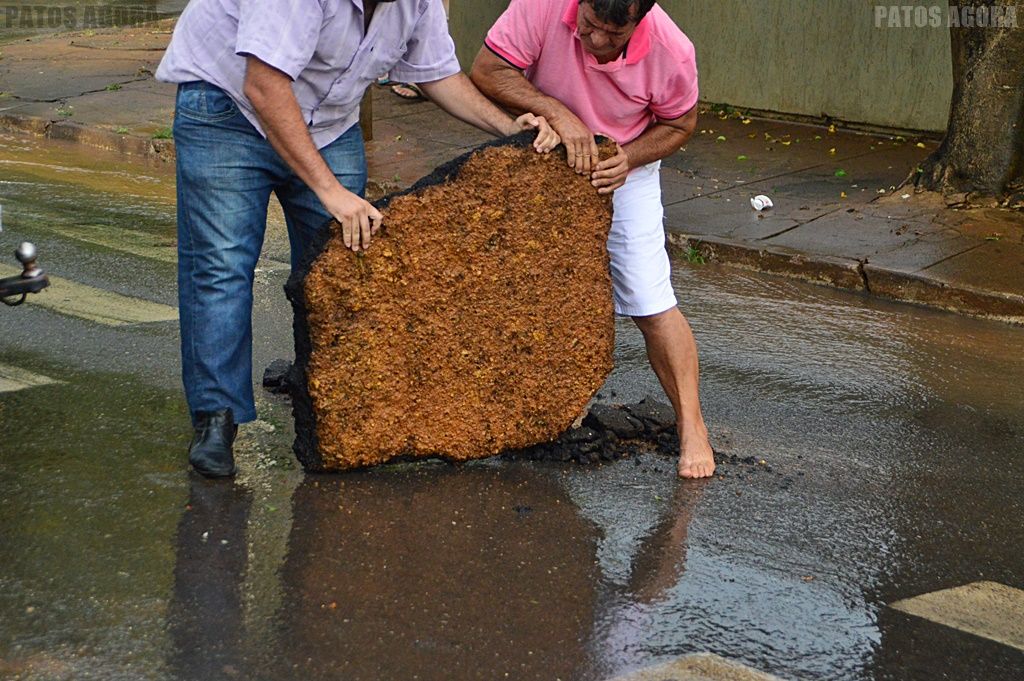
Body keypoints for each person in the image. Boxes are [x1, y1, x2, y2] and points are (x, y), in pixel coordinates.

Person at [156, 0, 558, 478]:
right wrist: (329, 191)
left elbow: (435, 73)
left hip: (327, 121)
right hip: (229, 110)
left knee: (350, 262)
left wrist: (509, 129)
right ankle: (217, 418)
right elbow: (263, 86)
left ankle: (325, 394)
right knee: (221, 267)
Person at [471, 0, 716, 478]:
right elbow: (488, 69)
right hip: (541, 150)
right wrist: (555, 111)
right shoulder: (540, 5)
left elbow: (680, 123)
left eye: (613, 34)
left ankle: (693, 427)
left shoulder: (672, 50)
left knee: (651, 300)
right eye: (588, 25)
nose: (597, 41)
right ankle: (509, 412)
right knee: (511, 289)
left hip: (623, 166)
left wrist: (628, 156)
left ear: (639, 20)